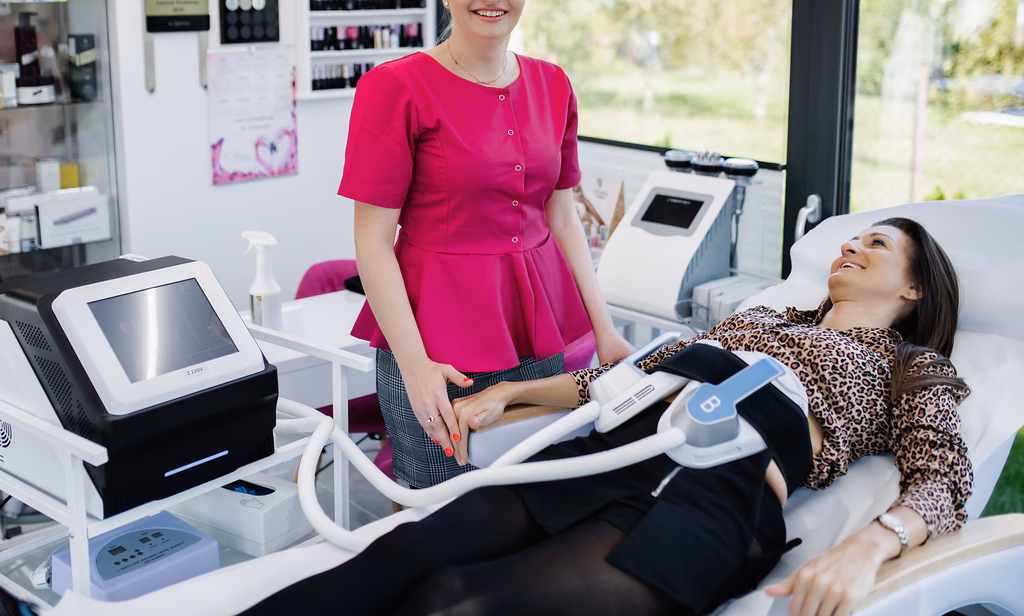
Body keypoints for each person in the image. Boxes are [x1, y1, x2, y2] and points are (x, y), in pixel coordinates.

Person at [232, 216, 971, 616]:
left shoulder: (910, 366)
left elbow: (945, 479)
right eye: (852, 238)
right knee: (400, 553)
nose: (852, 246)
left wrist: (867, 547)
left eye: (876, 244)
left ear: (913, 289)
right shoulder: (762, 320)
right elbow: (627, 381)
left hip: (716, 494)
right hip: (609, 448)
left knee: (455, 601)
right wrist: (511, 395)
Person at [337, 0, 632, 488]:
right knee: (439, 497)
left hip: (536, 330)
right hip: (436, 341)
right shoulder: (395, 87)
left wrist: (605, 329)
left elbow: (561, 215)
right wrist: (416, 367)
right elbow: (371, 241)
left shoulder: (553, 84)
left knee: (531, 488)